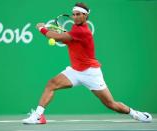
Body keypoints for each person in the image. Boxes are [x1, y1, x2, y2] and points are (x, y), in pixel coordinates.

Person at [22, 2, 152, 124]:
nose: (75, 17)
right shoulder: (75, 28)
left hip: (90, 73)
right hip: (75, 71)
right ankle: (39, 116)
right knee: (52, 83)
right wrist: (59, 36)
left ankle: (136, 114)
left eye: (78, 14)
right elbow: (66, 40)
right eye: (74, 14)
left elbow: (58, 37)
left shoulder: (82, 31)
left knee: (111, 104)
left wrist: (42, 29)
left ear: (85, 15)